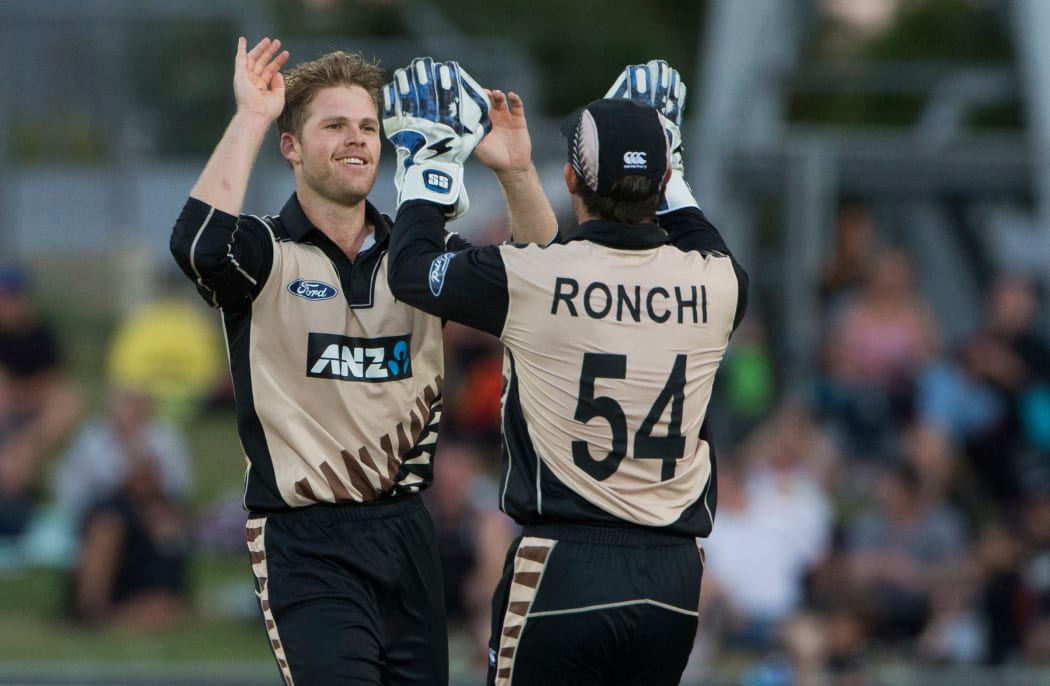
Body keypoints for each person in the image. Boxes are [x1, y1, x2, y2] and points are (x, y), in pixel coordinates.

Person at [168, 38, 555, 685]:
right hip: (304, 539)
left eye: (368, 127)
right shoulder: (265, 251)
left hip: (407, 532)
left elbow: (548, 286)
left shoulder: (419, 256)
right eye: (334, 126)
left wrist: (516, 170)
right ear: (291, 146)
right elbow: (198, 243)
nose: (355, 139)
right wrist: (252, 116)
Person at [384, 58, 748, 685]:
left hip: (564, 563)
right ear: (664, 178)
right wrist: (659, 160)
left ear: (572, 178)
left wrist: (431, 160)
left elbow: (412, 269)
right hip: (673, 577)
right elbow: (688, 229)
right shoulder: (719, 283)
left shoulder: (534, 278)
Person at [0, 265, 80, 538]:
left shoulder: (40, 334)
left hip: (33, 412)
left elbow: (50, 384)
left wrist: (21, 395)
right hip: (8, 409)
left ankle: (24, 455)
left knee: (67, 401)